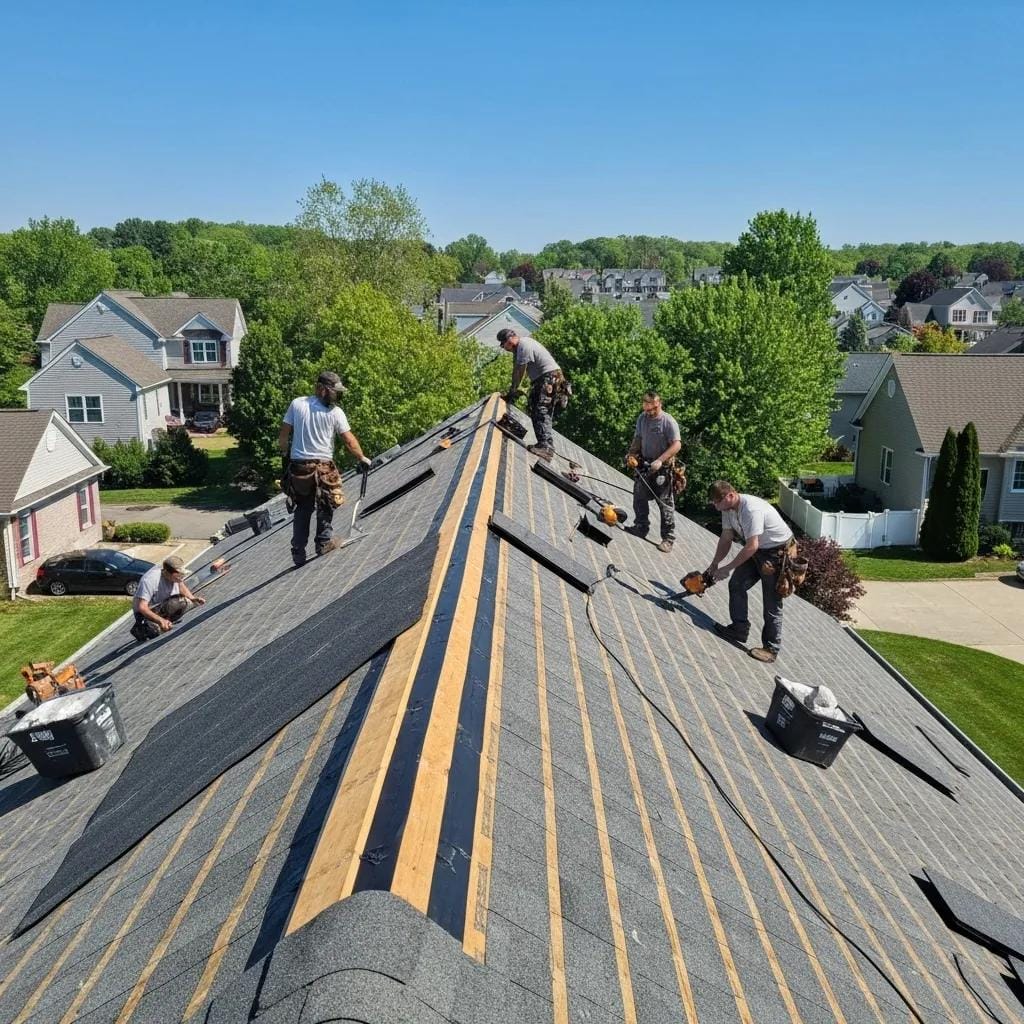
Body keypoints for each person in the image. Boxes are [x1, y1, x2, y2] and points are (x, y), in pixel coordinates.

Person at [279, 371, 371, 567]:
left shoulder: (297, 404)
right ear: (321, 390)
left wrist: (285, 457)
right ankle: (323, 543)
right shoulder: (334, 413)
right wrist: (362, 458)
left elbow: (284, 435)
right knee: (326, 504)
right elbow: (348, 440)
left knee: (303, 508)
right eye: (334, 392)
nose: (337, 396)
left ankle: (298, 552)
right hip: (323, 467)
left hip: (299, 467)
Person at [705, 480, 795, 663]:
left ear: (730, 495)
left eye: (717, 502)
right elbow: (726, 537)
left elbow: (752, 545)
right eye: (713, 503)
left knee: (771, 602)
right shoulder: (728, 510)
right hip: (758, 550)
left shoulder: (751, 509)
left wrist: (728, 568)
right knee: (736, 584)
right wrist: (714, 564)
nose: (715, 507)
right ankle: (739, 629)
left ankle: (771, 648)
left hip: (776, 554)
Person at [497, 329, 567, 460]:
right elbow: (515, 371)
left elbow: (520, 372)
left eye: (503, 345)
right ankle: (546, 444)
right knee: (537, 409)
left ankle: (546, 448)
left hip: (549, 378)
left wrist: (512, 391)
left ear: (508, 340)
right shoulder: (519, 348)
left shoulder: (523, 345)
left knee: (540, 410)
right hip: (548, 378)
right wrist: (512, 391)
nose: (504, 348)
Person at [625, 391, 681, 553]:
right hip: (645, 464)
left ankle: (668, 538)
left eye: (653, 409)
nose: (650, 413)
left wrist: (660, 460)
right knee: (639, 495)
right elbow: (638, 438)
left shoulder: (668, 422)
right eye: (647, 409)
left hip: (662, 468)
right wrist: (631, 454)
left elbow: (677, 445)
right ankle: (641, 527)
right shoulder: (642, 418)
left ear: (659, 404)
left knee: (665, 503)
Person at [130, 555, 205, 641]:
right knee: (154, 632)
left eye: (181, 575)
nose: (180, 578)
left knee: (183, 602)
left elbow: (180, 584)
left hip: (162, 604)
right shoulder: (150, 580)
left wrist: (192, 598)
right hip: (145, 612)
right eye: (178, 575)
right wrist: (161, 621)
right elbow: (142, 607)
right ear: (167, 572)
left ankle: (166, 620)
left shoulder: (175, 576)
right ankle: (142, 627)